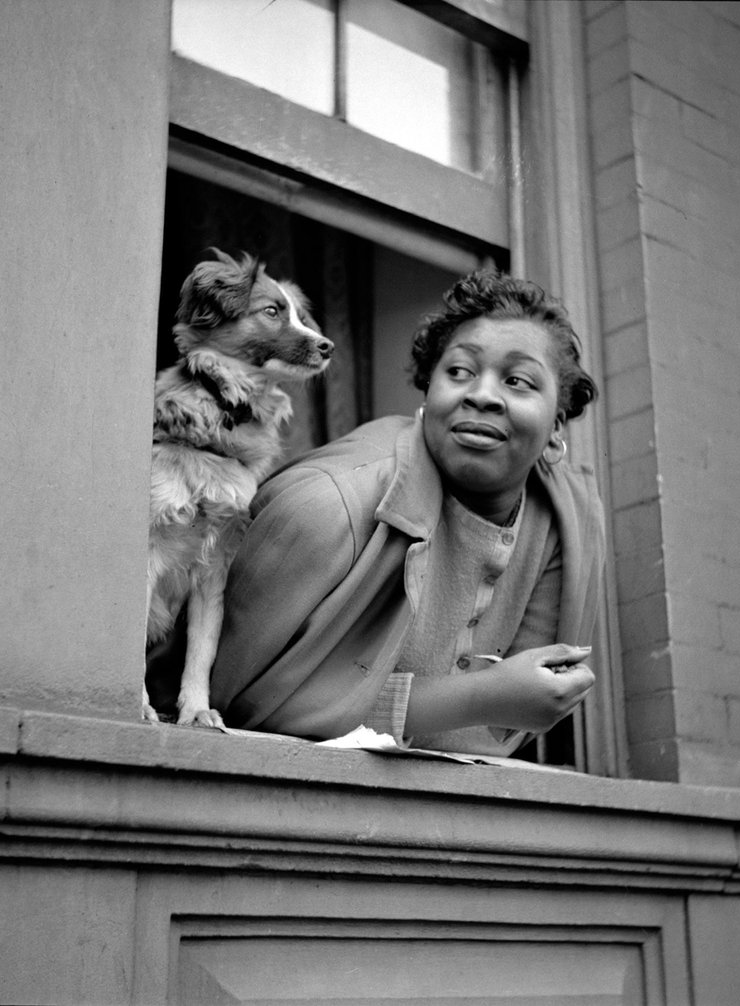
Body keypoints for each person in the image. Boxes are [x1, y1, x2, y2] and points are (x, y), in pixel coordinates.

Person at [198, 269, 605, 755]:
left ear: (558, 420)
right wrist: (476, 698)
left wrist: (489, 705)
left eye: (517, 381)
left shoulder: (565, 524)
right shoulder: (328, 506)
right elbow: (236, 704)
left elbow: (496, 733)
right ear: (428, 391)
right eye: (459, 372)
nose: (481, 394)